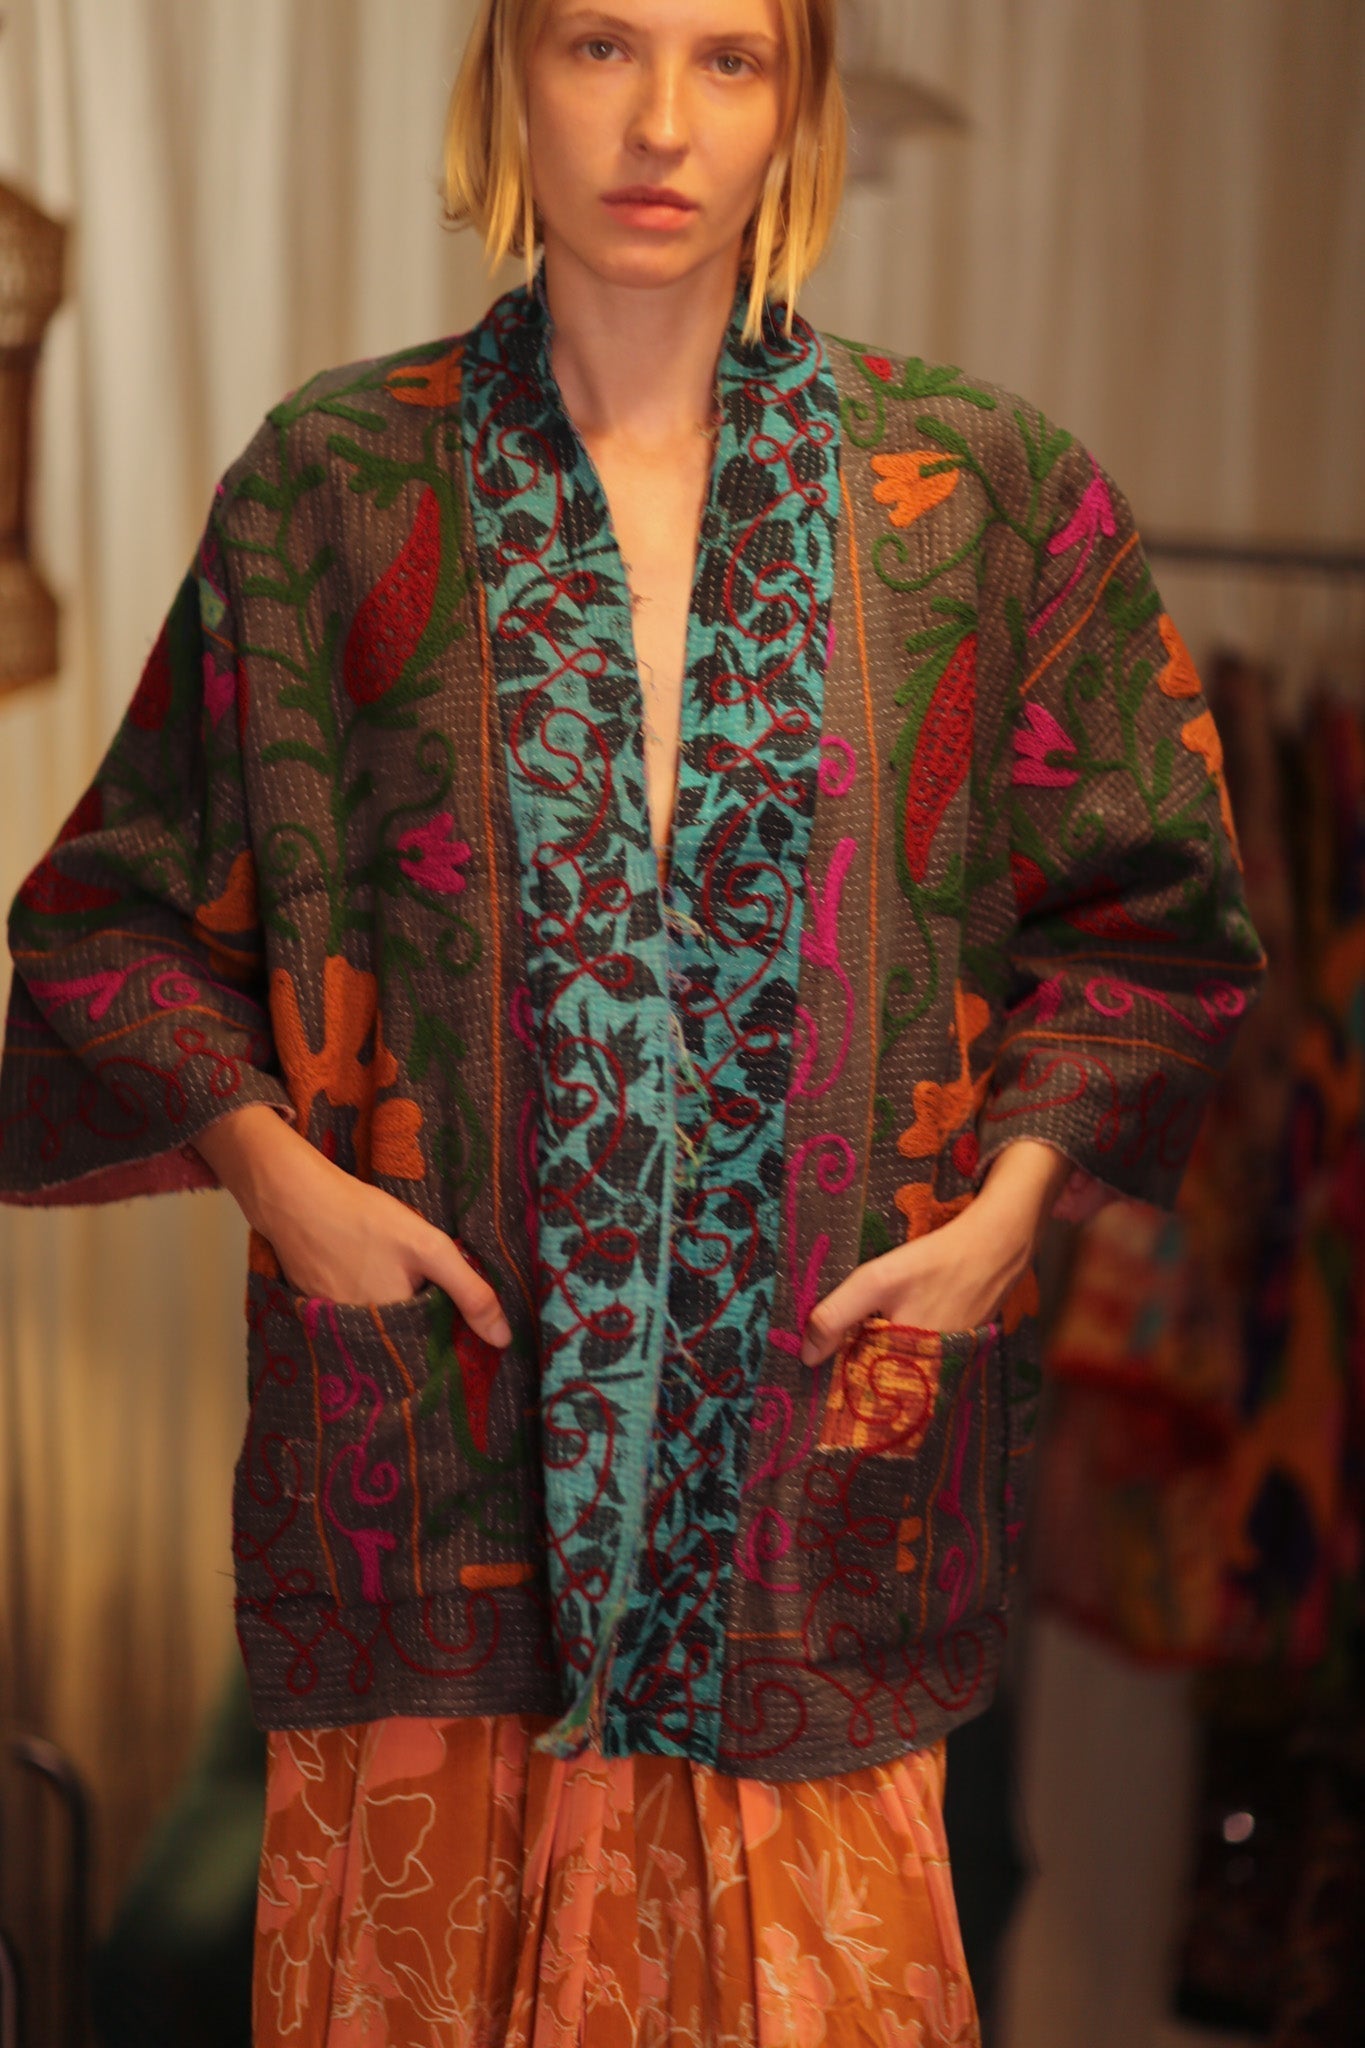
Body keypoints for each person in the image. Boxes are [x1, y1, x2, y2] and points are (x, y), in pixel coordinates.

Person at [0, 0, 1263, 2039]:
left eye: (728, 57)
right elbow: (106, 919)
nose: (661, 120)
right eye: (599, 44)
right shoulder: (335, 485)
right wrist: (284, 1183)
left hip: (813, 1522)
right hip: (436, 1510)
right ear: (507, 71)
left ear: (800, 99)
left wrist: (1002, 1221)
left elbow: (1155, 929)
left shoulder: (975, 494)